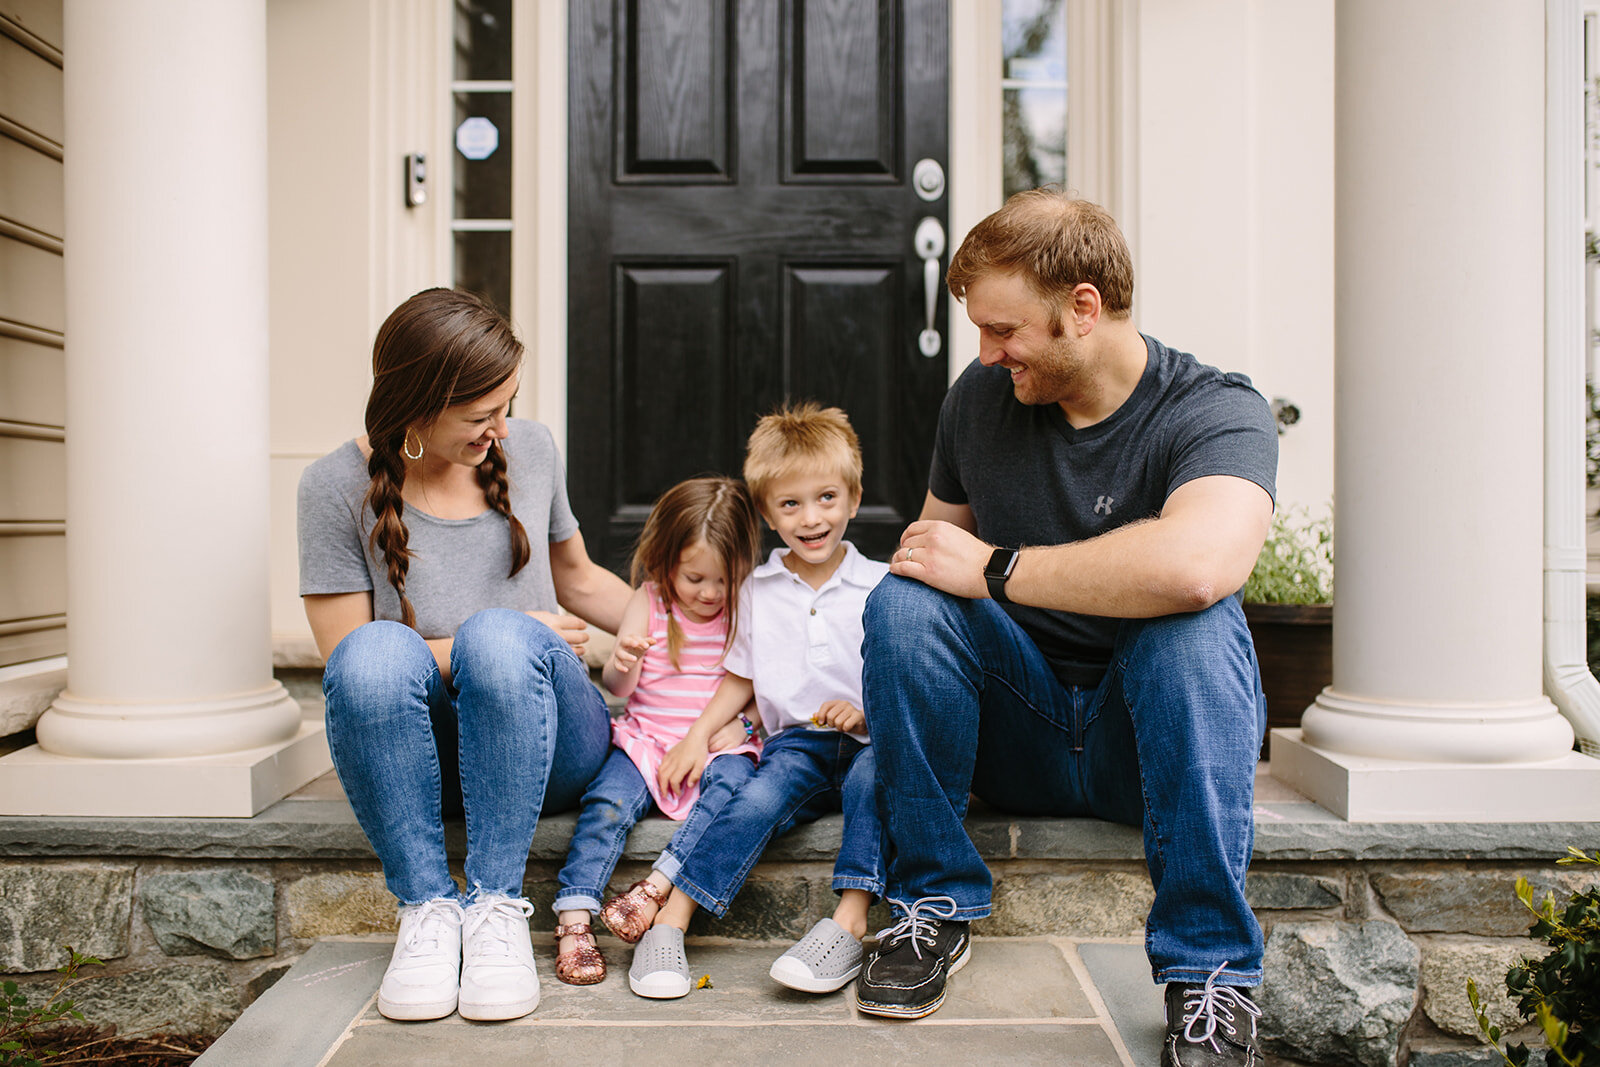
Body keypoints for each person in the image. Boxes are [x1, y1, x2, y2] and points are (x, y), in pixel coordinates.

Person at [853, 190, 1277, 1067]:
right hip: (1022, 729)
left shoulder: (1216, 409)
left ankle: (1209, 977)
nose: (986, 353)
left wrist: (1001, 566)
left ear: (1083, 308)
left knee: (1190, 622)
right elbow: (933, 561)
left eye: (1004, 330)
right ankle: (933, 904)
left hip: (1142, 741)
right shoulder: (980, 399)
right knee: (903, 604)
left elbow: (1199, 563)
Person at [296, 287, 632, 1022]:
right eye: (480, 417)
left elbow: (576, 576)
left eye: (505, 406)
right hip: (425, 757)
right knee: (403, 651)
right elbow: (348, 662)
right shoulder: (331, 487)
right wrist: (520, 627)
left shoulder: (531, 448)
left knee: (501, 639)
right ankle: (426, 908)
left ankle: (495, 909)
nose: (501, 429)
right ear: (415, 407)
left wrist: (688, 635)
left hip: (550, 747)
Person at [598, 403, 891, 1000]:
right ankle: (671, 921)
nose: (811, 518)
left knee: (873, 785)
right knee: (750, 798)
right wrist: (698, 736)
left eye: (827, 498)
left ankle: (849, 921)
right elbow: (740, 678)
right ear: (766, 512)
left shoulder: (881, 584)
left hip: (870, 740)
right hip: (796, 744)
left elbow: (900, 674)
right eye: (791, 504)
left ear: (855, 499)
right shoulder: (754, 590)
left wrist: (867, 710)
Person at [550, 476, 763, 986]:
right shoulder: (649, 601)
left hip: (715, 746)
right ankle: (575, 915)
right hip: (646, 740)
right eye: (695, 579)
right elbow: (619, 684)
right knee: (607, 804)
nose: (711, 593)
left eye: (723, 579)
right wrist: (622, 660)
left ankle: (655, 887)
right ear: (666, 562)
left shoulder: (749, 604)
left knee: (732, 791)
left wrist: (745, 722)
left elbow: (764, 682)